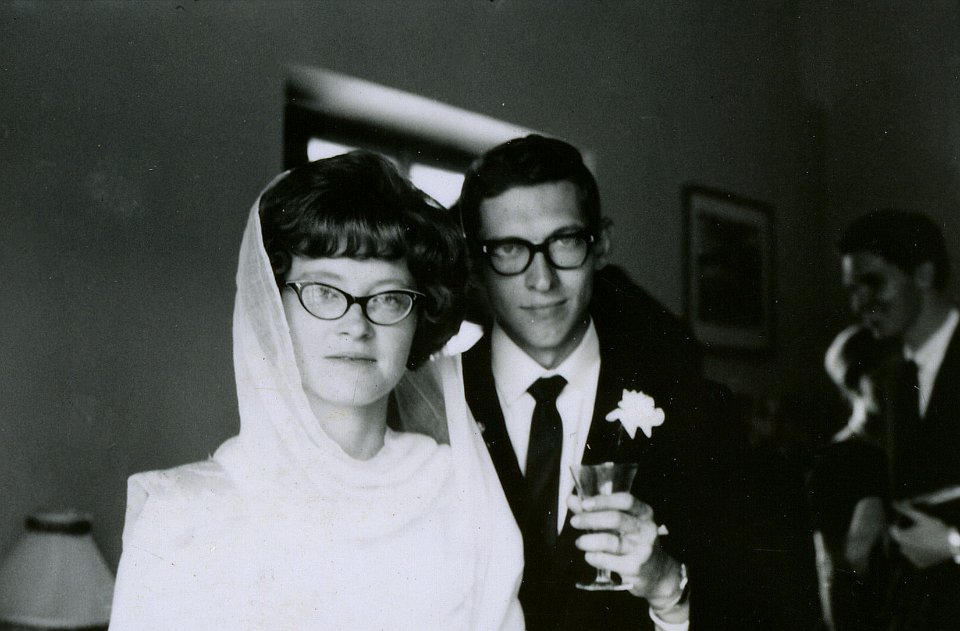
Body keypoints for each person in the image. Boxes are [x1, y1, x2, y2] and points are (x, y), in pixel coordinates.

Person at [109, 152, 524, 630]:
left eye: (389, 297)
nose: (356, 325)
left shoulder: (460, 490)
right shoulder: (183, 514)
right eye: (324, 291)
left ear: (419, 317)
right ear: (273, 306)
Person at [455, 135, 741, 631]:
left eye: (564, 242)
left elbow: (755, 609)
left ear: (601, 244)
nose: (541, 280)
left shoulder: (696, 408)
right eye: (510, 249)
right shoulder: (432, 400)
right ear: (477, 265)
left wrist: (668, 586)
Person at [838, 209, 960, 630]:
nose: (859, 304)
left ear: (923, 275)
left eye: (873, 282)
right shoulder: (889, 381)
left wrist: (954, 544)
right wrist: (871, 503)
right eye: (852, 289)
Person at [809, 324, 895, 631]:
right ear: (854, 383)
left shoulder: (910, 449)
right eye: (880, 376)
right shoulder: (835, 461)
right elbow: (831, 569)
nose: (892, 385)